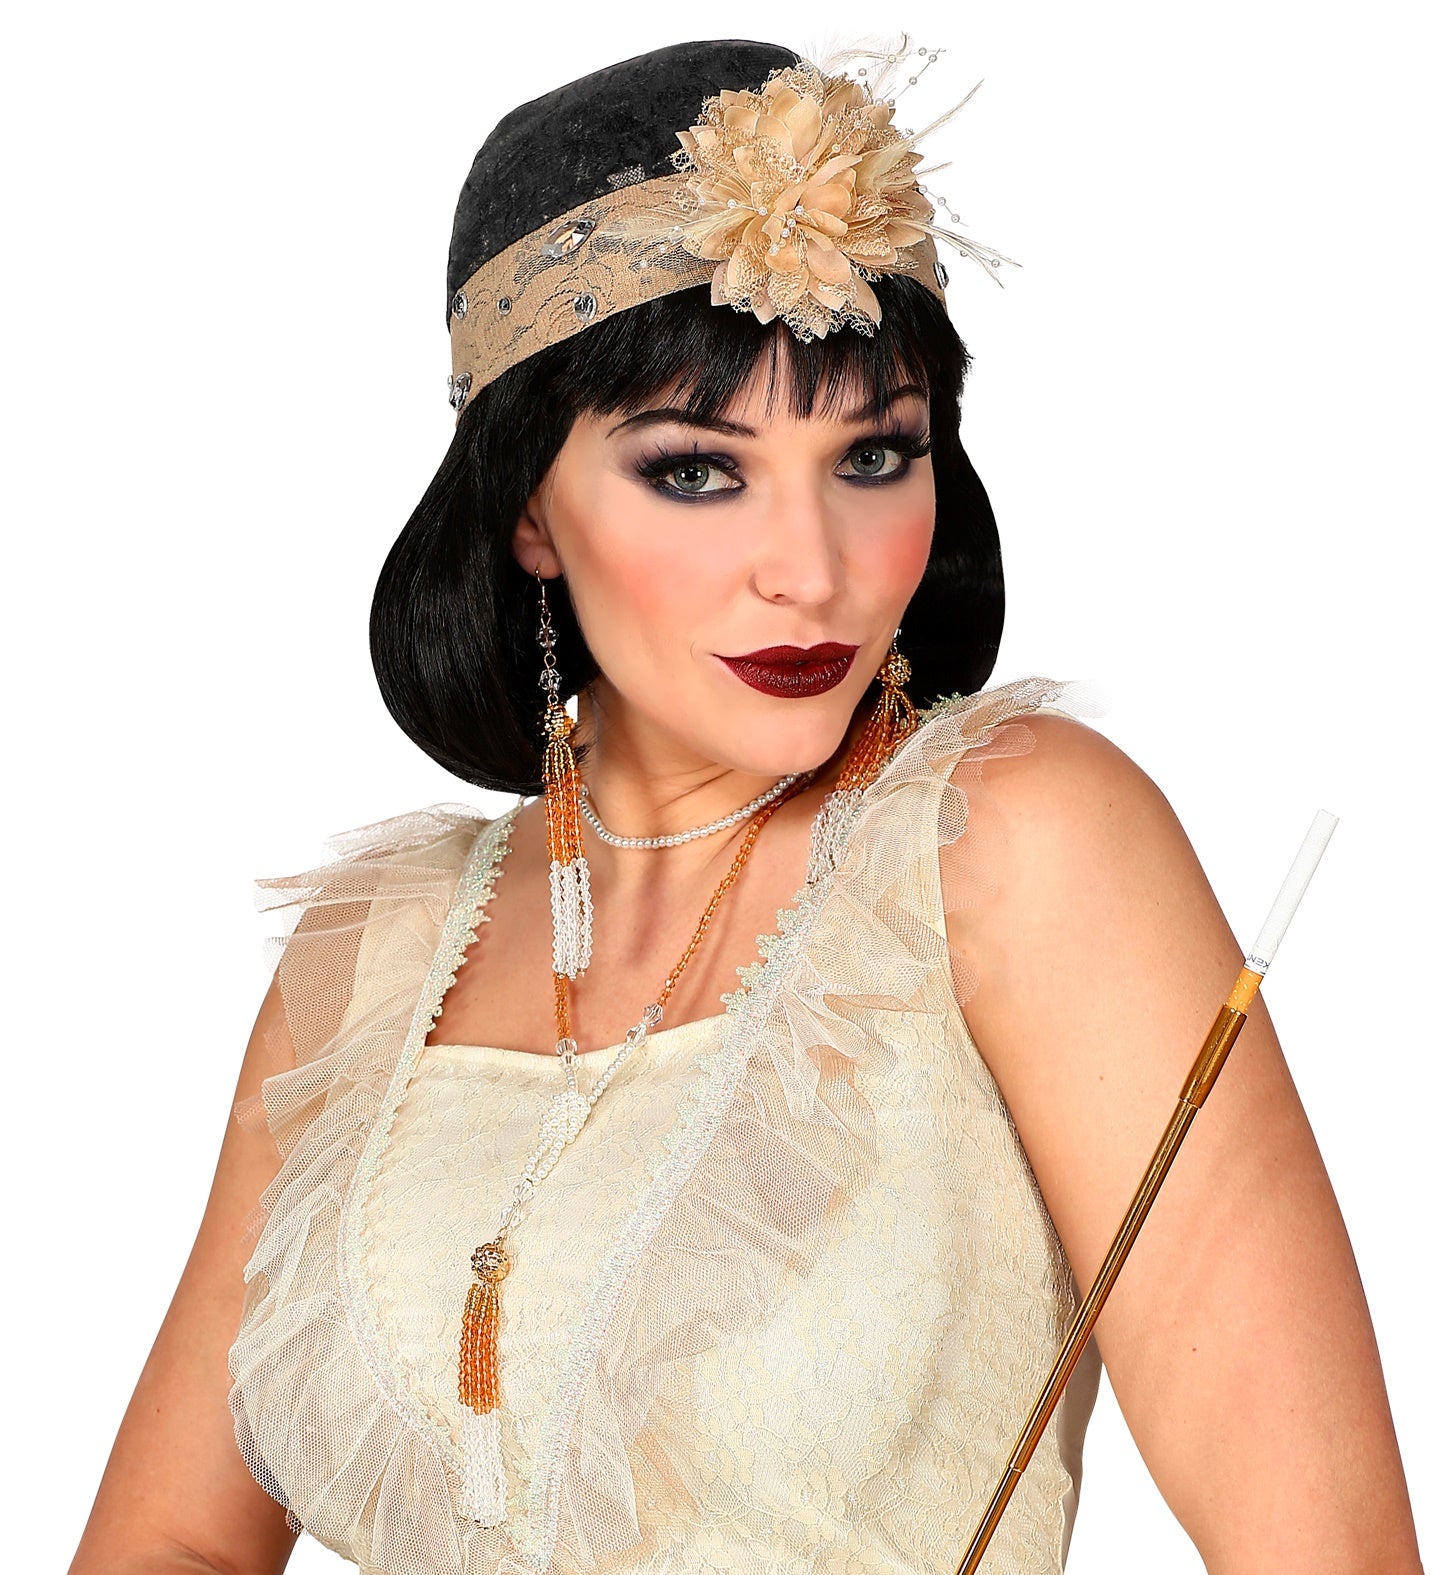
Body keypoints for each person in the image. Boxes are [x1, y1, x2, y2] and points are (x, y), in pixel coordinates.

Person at [70, 36, 1422, 1575]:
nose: (812, 568)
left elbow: (1327, 1554)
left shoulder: (1010, 842)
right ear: (529, 510)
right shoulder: (371, 958)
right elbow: (169, 1543)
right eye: (698, 472)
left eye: (873, 454)